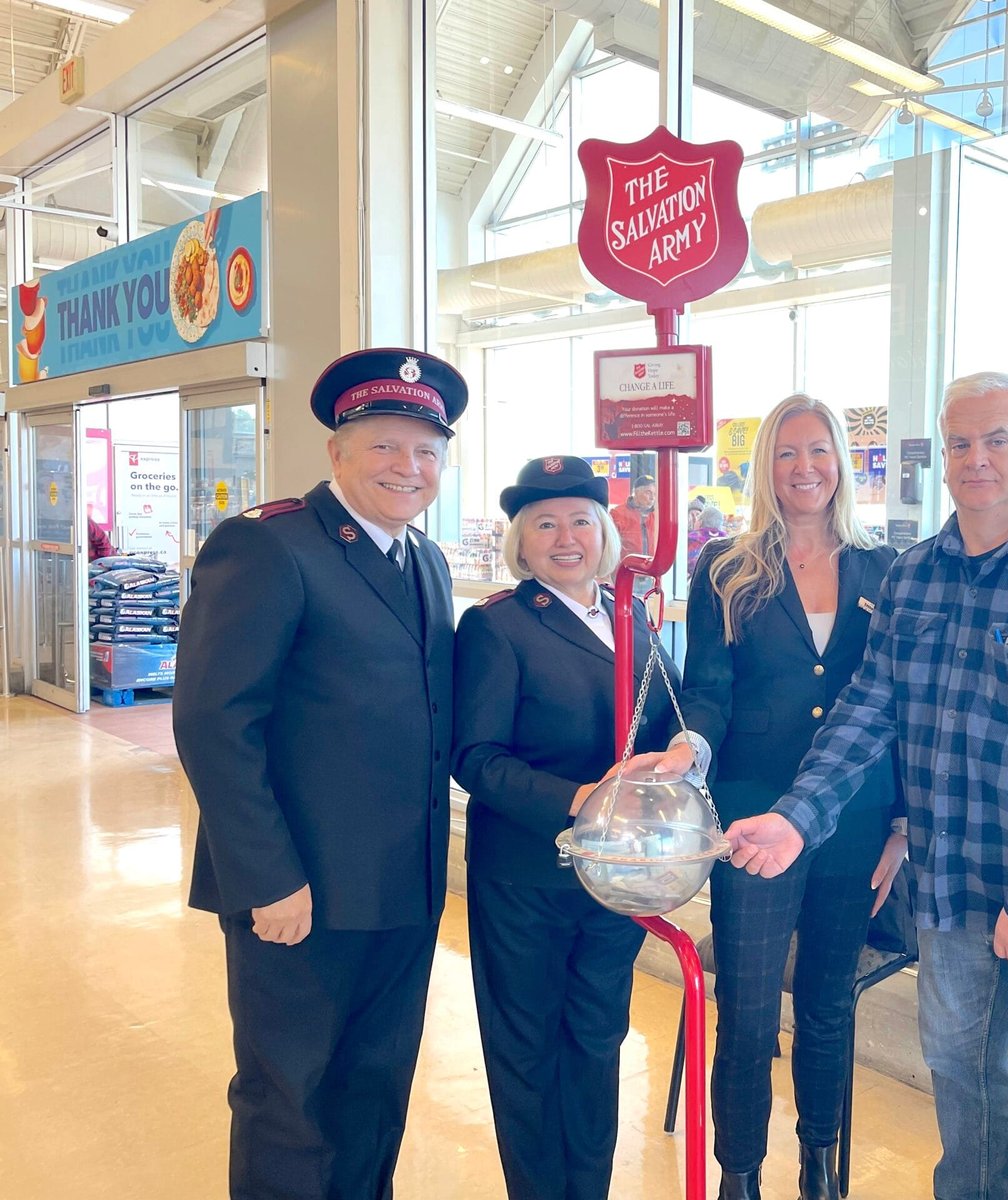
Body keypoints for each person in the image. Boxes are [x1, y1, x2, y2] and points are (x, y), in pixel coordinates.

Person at [722, 372, 1008, 1200]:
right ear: (940, 458)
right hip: (950, 892)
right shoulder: (916, 574)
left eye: (997, 441)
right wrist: (796, 819)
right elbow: (869, 709)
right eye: (960, 444)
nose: (977, 459)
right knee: (959, 1078)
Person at [172, 347, 465, 1198]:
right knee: (289, 1100)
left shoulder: (427, 562)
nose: (406, 468)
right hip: (298, 893)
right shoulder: (269, 547)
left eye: (424, 452)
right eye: (383, 446)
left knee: (374, 1090)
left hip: (402, 888)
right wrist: (267, 879)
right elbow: (214, 723)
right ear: (337, 452)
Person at [640, 394, 906, 1200]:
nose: (805, 469)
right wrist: (692, 746)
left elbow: (903, 707)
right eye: (787, 454)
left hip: (855, 817)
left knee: (828, 1003)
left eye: (819, 451)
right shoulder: (727, 563)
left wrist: (900, 823)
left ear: (842, 463)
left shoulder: (885, 568)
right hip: (753, 817)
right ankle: (739, 1173)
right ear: (766, 468)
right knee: (749, 1010)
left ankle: (819, 1164)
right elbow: (710, 689)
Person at [453, 455, 684, 1200]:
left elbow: (668, 713)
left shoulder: (631, 617)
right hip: (527, 876)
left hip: (613, 876)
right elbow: (476, 759)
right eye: (544, 523)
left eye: (580, 520)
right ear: (522, 541)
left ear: (604, 531)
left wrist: (684, 752)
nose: (566, 537)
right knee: (526, 1049)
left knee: (595, 1040)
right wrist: (579, 794)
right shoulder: (499, 626)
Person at [611, 472, 658, 560]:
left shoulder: (656, 517)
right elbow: (609, 548)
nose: (652, 498)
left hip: (650, 570)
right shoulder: (617, 514)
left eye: (654, 494)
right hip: (625, 570)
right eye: (648, 493)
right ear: (636, 492)